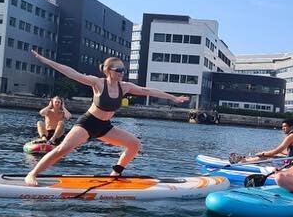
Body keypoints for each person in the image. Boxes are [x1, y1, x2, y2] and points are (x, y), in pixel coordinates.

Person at [23, 51, 190, 183]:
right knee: (62, 150)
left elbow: (148, 91)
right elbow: (72, 73)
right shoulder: (98, 83)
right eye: (119, 70)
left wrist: (173, 98)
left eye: (123, 70)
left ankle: (115, 173)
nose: (122, 73)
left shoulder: (124, 87)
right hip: (87, 124)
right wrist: (46, 61)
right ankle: (32, 174)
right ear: (109, 71)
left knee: (134, 145)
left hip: (105, 127)